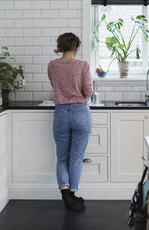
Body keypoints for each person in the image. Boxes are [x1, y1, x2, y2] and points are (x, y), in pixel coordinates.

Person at [47, 33, 93, 211]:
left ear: (60, 46)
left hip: (61, 113)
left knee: (62, 157)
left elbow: (54, 84)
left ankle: (65, 193)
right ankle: (72, 192)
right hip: (80, 112)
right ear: (76, 47)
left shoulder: (52, 65)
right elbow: (88, 92)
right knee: (76, 157)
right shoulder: (83, 65)